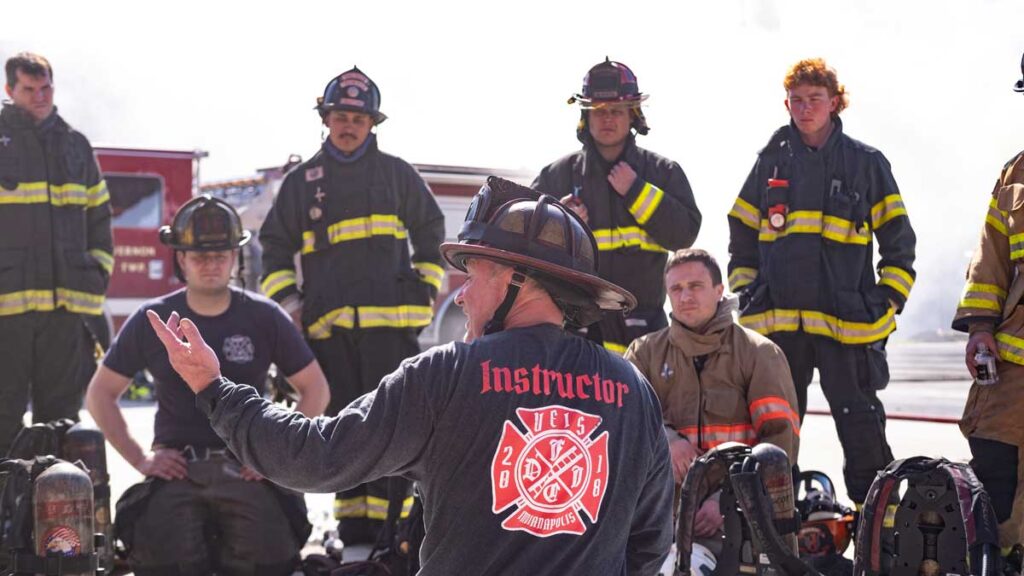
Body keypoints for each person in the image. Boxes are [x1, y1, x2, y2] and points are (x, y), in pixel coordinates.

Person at [150, 178, 674, 575]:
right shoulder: (632, 389)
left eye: (473, 276)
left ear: (517, 280)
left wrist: (216, 391)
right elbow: (650, 539)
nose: (463, 295)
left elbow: (313, 456)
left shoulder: (446, 374)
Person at [86, 195, 329, 575]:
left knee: (271, 559)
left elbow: (316, 389)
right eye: (199, 256)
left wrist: (272, 455)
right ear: (180, 259)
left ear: (236, 257)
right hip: (177, 471)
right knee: (162, 559)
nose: (211, 264)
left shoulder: (265, 316)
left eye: (221, 255)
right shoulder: (153, 320)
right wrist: (141, 459)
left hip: (247, 470)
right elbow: (100, 394)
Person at [259, 66, 445, 544]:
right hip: (329, 332)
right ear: (326, 118)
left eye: (358, 119)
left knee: (393, 426)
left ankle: (393, 531)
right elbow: (274, 247)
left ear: (372, 124)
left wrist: (425, 290)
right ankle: (353, 524)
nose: (348, 125)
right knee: (346, 427)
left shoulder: (397, 174)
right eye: (340, 116)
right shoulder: (304, 182)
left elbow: (431, 233)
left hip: (391, 330)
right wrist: (291, 304)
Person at [727, 58, 916, 508]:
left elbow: (898, 238)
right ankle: (775, 532)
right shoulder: (769, 163)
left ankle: (881, 536)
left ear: (835, 103)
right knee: (775, 433)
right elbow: (740, 231)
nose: (805, 108)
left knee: (862, 432)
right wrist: (747, 288)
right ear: (787, 104)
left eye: (815, 99)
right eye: (797, 100)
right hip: (780, 331)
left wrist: (888, 299)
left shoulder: (866, 163)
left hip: (847, 327)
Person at [625, 248, 799, 561]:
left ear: (719, 291)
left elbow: (779, 447)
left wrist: (729, 501)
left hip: (742, 521)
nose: (684, 297)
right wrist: (668, 440)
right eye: (676, 289)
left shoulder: (758, 353)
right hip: (663, 518)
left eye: (695, 286)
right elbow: (625, 422)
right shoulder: (643, 354)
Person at [533, 57, 702, 355]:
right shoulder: (557, 176)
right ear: (585, 116)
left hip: (644, 329)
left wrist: (636, 192)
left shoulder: (662, 172)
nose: (607, 118)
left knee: (644, 402)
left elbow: (685, 235)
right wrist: (558, 216)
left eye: (617, 111)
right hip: (577, 329)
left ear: (633, 114)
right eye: (598, 111)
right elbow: (519, 239)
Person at [0, 52, 113, 454]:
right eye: (29, 89)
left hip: (66, 312)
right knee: (2, 418)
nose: (40, 96)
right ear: (9, 90)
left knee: (61, 421)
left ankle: (55, 509)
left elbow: (100, 219)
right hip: (6, 315)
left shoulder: (76, 146)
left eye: (45, 87)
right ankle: (6, 512)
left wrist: (97, 275)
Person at [951, 51, 1024, 554]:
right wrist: (980, 326)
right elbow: (990, 260)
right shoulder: (1015, 174)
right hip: (1010, 368)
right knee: (994, 486)